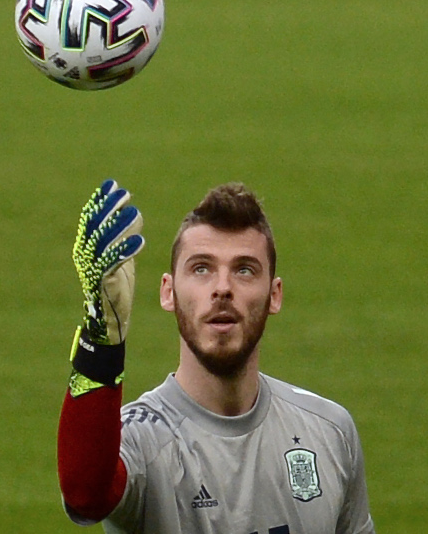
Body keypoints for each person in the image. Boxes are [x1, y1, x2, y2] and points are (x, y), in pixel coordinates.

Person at [57, 180, 375, 533]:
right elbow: (85, 496)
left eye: (244, 270)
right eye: (201, 268)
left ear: (274, 295)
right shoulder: (139, 439)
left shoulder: (329, 430)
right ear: (169, 292)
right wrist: (102, 344)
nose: (222, 288)